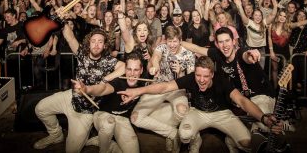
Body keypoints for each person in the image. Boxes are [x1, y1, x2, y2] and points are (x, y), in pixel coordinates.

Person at [118, 56, 282, 153]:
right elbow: (165, 87)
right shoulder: (191, 78)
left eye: (205, 76)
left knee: (247, 144)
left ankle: (231, 141)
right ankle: (195, 140)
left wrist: (264, 117)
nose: (201, 80)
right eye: (198, 75)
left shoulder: (222, 81)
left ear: (212, 74)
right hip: (197, 112)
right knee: (184, 135)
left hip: (222, 114)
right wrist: (137, 91)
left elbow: (242, 101)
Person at [33, 19, 125, 153]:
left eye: (100, 42)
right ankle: (56, 135)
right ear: (89, 43)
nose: (96, 45)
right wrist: (62, 20)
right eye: (93, 41)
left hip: (84, 113)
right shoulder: (82, 54)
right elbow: (69, 37)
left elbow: (124, 67)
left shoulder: (107, 61)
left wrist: (106, 78)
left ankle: (94, 139)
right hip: (70, 98)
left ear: (105, 45)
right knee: (40, 108)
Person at [131, 26, 195, 152]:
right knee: (135, 118)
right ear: (166, 40)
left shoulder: (189, 54)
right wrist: (154, 67)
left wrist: (181, 73)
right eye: (169, 41)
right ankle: (171, 133)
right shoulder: (161, 47)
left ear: (180, 40)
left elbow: (192, 79)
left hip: (177, 89)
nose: (172, 45)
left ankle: (175, 134)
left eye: (175, 41)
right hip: (158, 86)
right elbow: (155, 57)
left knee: (182, 110)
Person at [71, 52, 145, 153]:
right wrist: (87, 89)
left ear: (141, 70)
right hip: (103, 115)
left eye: (136, 70)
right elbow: (103, 89)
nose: (132, 74)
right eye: (129, 69)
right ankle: (103, 145)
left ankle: (104, 141)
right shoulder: (118, 81)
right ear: (125, 69)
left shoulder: (144, 83)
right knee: (108, 123)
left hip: (123, 119)